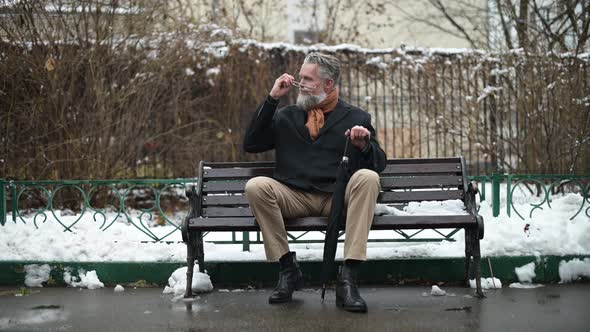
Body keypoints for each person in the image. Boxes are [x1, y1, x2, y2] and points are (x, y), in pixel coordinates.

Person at [243, 52, 386, 313]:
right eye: (300, 77)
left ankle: (348, 278)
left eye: (307, 79)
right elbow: (251, 144)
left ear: (328, 84)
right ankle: (287, 269)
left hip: (336, 197)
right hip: (293, 196)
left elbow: (379, 163)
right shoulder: (287, 116)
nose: (300, 82)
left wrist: (364, 145)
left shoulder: (356, 117)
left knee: (368, 177)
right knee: (256, 186)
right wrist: (272, 99)